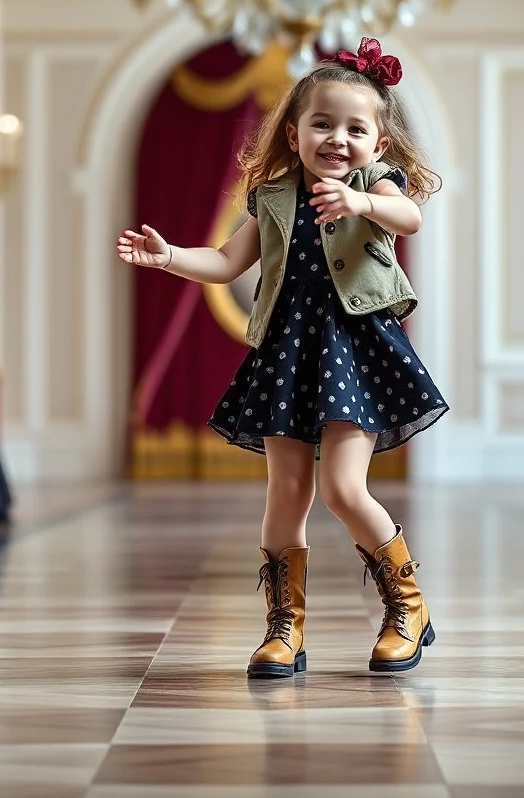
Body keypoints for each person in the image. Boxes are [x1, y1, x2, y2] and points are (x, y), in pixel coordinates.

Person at [117, 38, 448, 678]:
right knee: (284, 494)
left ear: (378, 144)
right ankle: (284, 628)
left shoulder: (373, 187)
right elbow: (224, 262)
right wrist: (170, 257)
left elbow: (409, 218)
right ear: (293, 133)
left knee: (344, 488)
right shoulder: (272, 197)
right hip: (288, 354)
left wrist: (361, 202)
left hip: (355, 352)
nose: (336, 138)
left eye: (355, 128)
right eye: (321, 123)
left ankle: (407, 605)